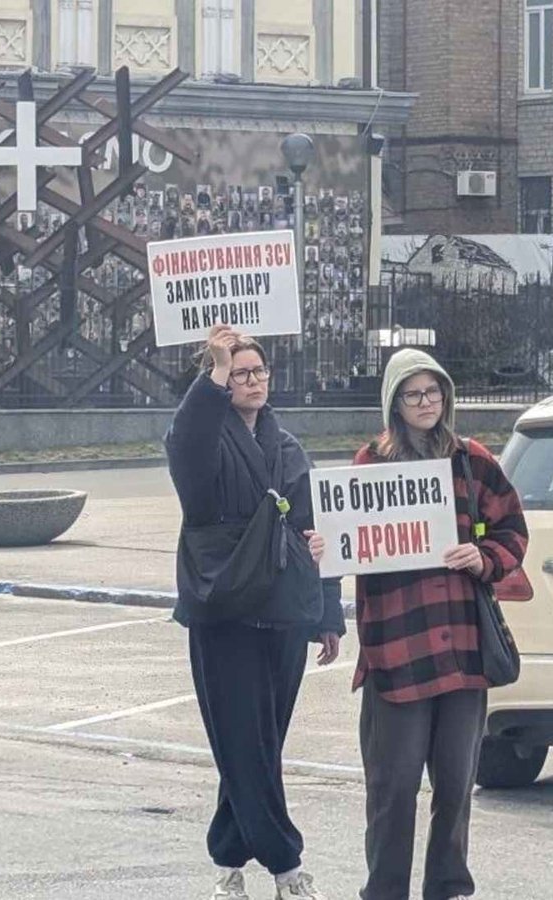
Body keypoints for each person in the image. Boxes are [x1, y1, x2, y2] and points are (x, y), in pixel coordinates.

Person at [308, 349, 528, 900]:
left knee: (455, 785)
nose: (426, 403)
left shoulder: (471, 460)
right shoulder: (370, 465)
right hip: (396, 650)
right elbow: (347, 542)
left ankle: (448, 887)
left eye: (434, 393)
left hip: (462, 649)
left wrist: (485, 560)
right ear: (394, 404)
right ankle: (384, 891)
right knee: (393, 787)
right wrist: (325, 546)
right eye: (414, 395)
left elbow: (513, 530)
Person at [167, 324, 346, 900]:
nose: (251, 381)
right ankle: (286, 865)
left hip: (286, 611)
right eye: (238, 372)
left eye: (257, 371)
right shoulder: (204, 444)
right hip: (225, 610)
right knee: (244, 740)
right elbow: (184, 439)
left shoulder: (288, 447)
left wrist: (328, 611)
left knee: (259, 741)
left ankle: (227, 861)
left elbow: (318, 525)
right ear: (220, 378)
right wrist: (212, 371)